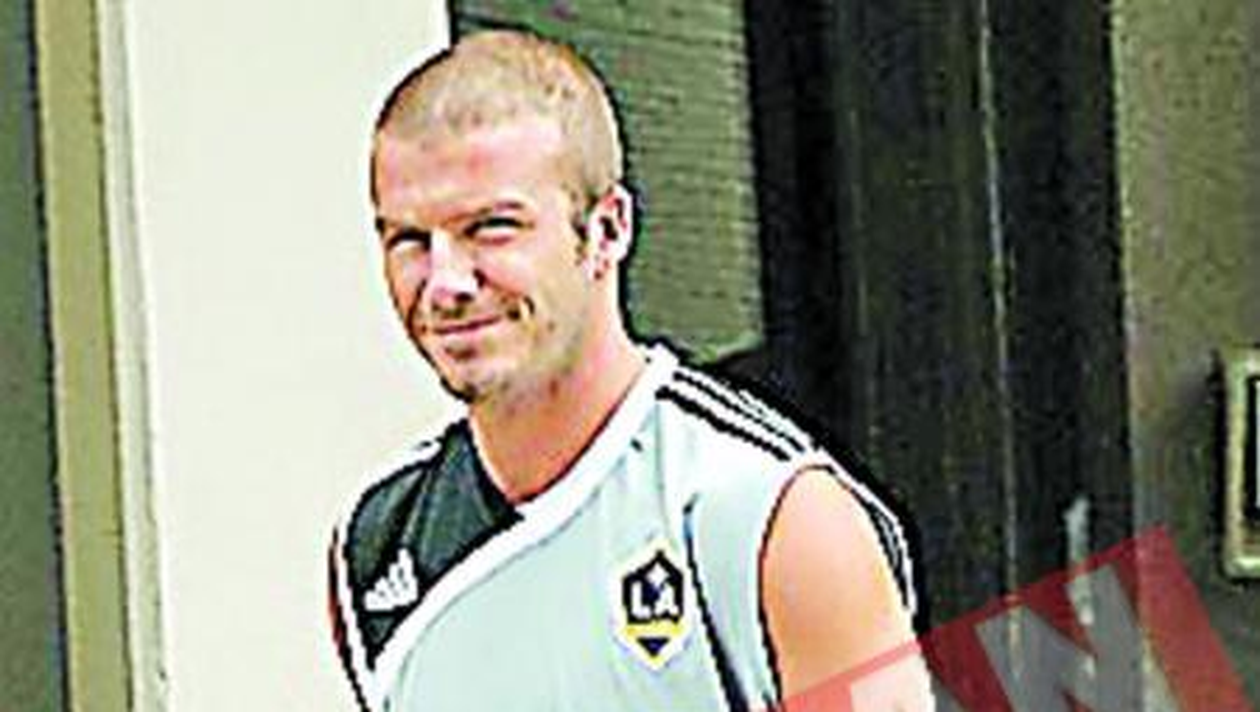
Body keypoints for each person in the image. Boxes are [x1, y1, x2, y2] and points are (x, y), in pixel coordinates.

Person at [327, 29, 923, 711]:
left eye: (491, 228)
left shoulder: (772, 512)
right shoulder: (376, 547)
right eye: (409, 240)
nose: (446, 283)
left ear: (608, 230)